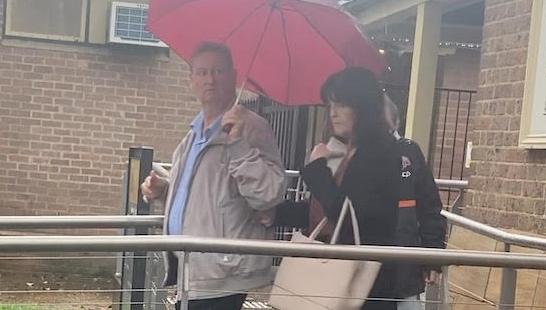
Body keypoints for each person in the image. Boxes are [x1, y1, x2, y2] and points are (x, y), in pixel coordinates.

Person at [140, 42, 286, 310]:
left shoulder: (252, 127)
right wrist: (165, 190)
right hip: (191, 268)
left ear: (233, 76)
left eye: (219, 71)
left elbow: (268, 193)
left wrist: (238, 144)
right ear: (191, 80)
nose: (210, 79)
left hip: (221, 272)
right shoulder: (192, 135)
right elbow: (208, 193)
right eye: (202, 72)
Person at [301, 67, 402, 310]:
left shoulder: (377, 152)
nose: (333, 113)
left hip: (365, 281)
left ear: (363, 106)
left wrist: (317, 169)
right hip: (356, 274)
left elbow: (347, 213)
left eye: (342, 105)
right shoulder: (359, 150)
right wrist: (274, 213)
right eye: (330, 105)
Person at [384, 98, 447, 310]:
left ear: (394, 121)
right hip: (364, 271)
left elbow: (430, 208)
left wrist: (432, 258)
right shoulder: (355, 153)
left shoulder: (409, 152)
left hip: (404, 271)